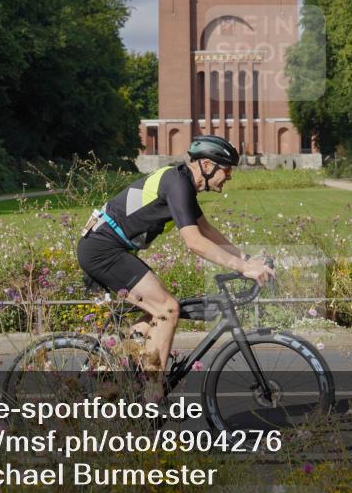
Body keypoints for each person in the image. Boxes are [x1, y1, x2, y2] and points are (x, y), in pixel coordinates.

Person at [77, 135, 274, 371]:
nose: (229, 176)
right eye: (227, 170)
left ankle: (121, 368)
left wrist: (247, 260)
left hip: (109, 247)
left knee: (160, 311)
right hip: (102, 249)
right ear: (207, 165)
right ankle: (152, 390)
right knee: (167, 309)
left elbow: (206, 230)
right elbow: (195, 241)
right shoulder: (177, 184)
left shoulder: (182, 183)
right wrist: (243, 268)